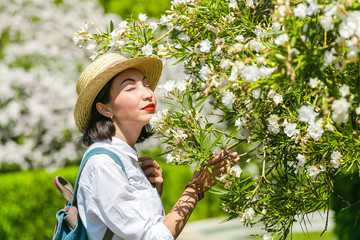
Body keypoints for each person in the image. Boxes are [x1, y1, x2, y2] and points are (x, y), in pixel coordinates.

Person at [74, 53, 240, 240]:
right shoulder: (103, 164)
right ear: (105, 108)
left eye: (146, 85)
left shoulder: (125, 159)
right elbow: (153, 237)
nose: (147, 94)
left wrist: (152, 193)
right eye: (130, 88)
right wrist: (195, 189)